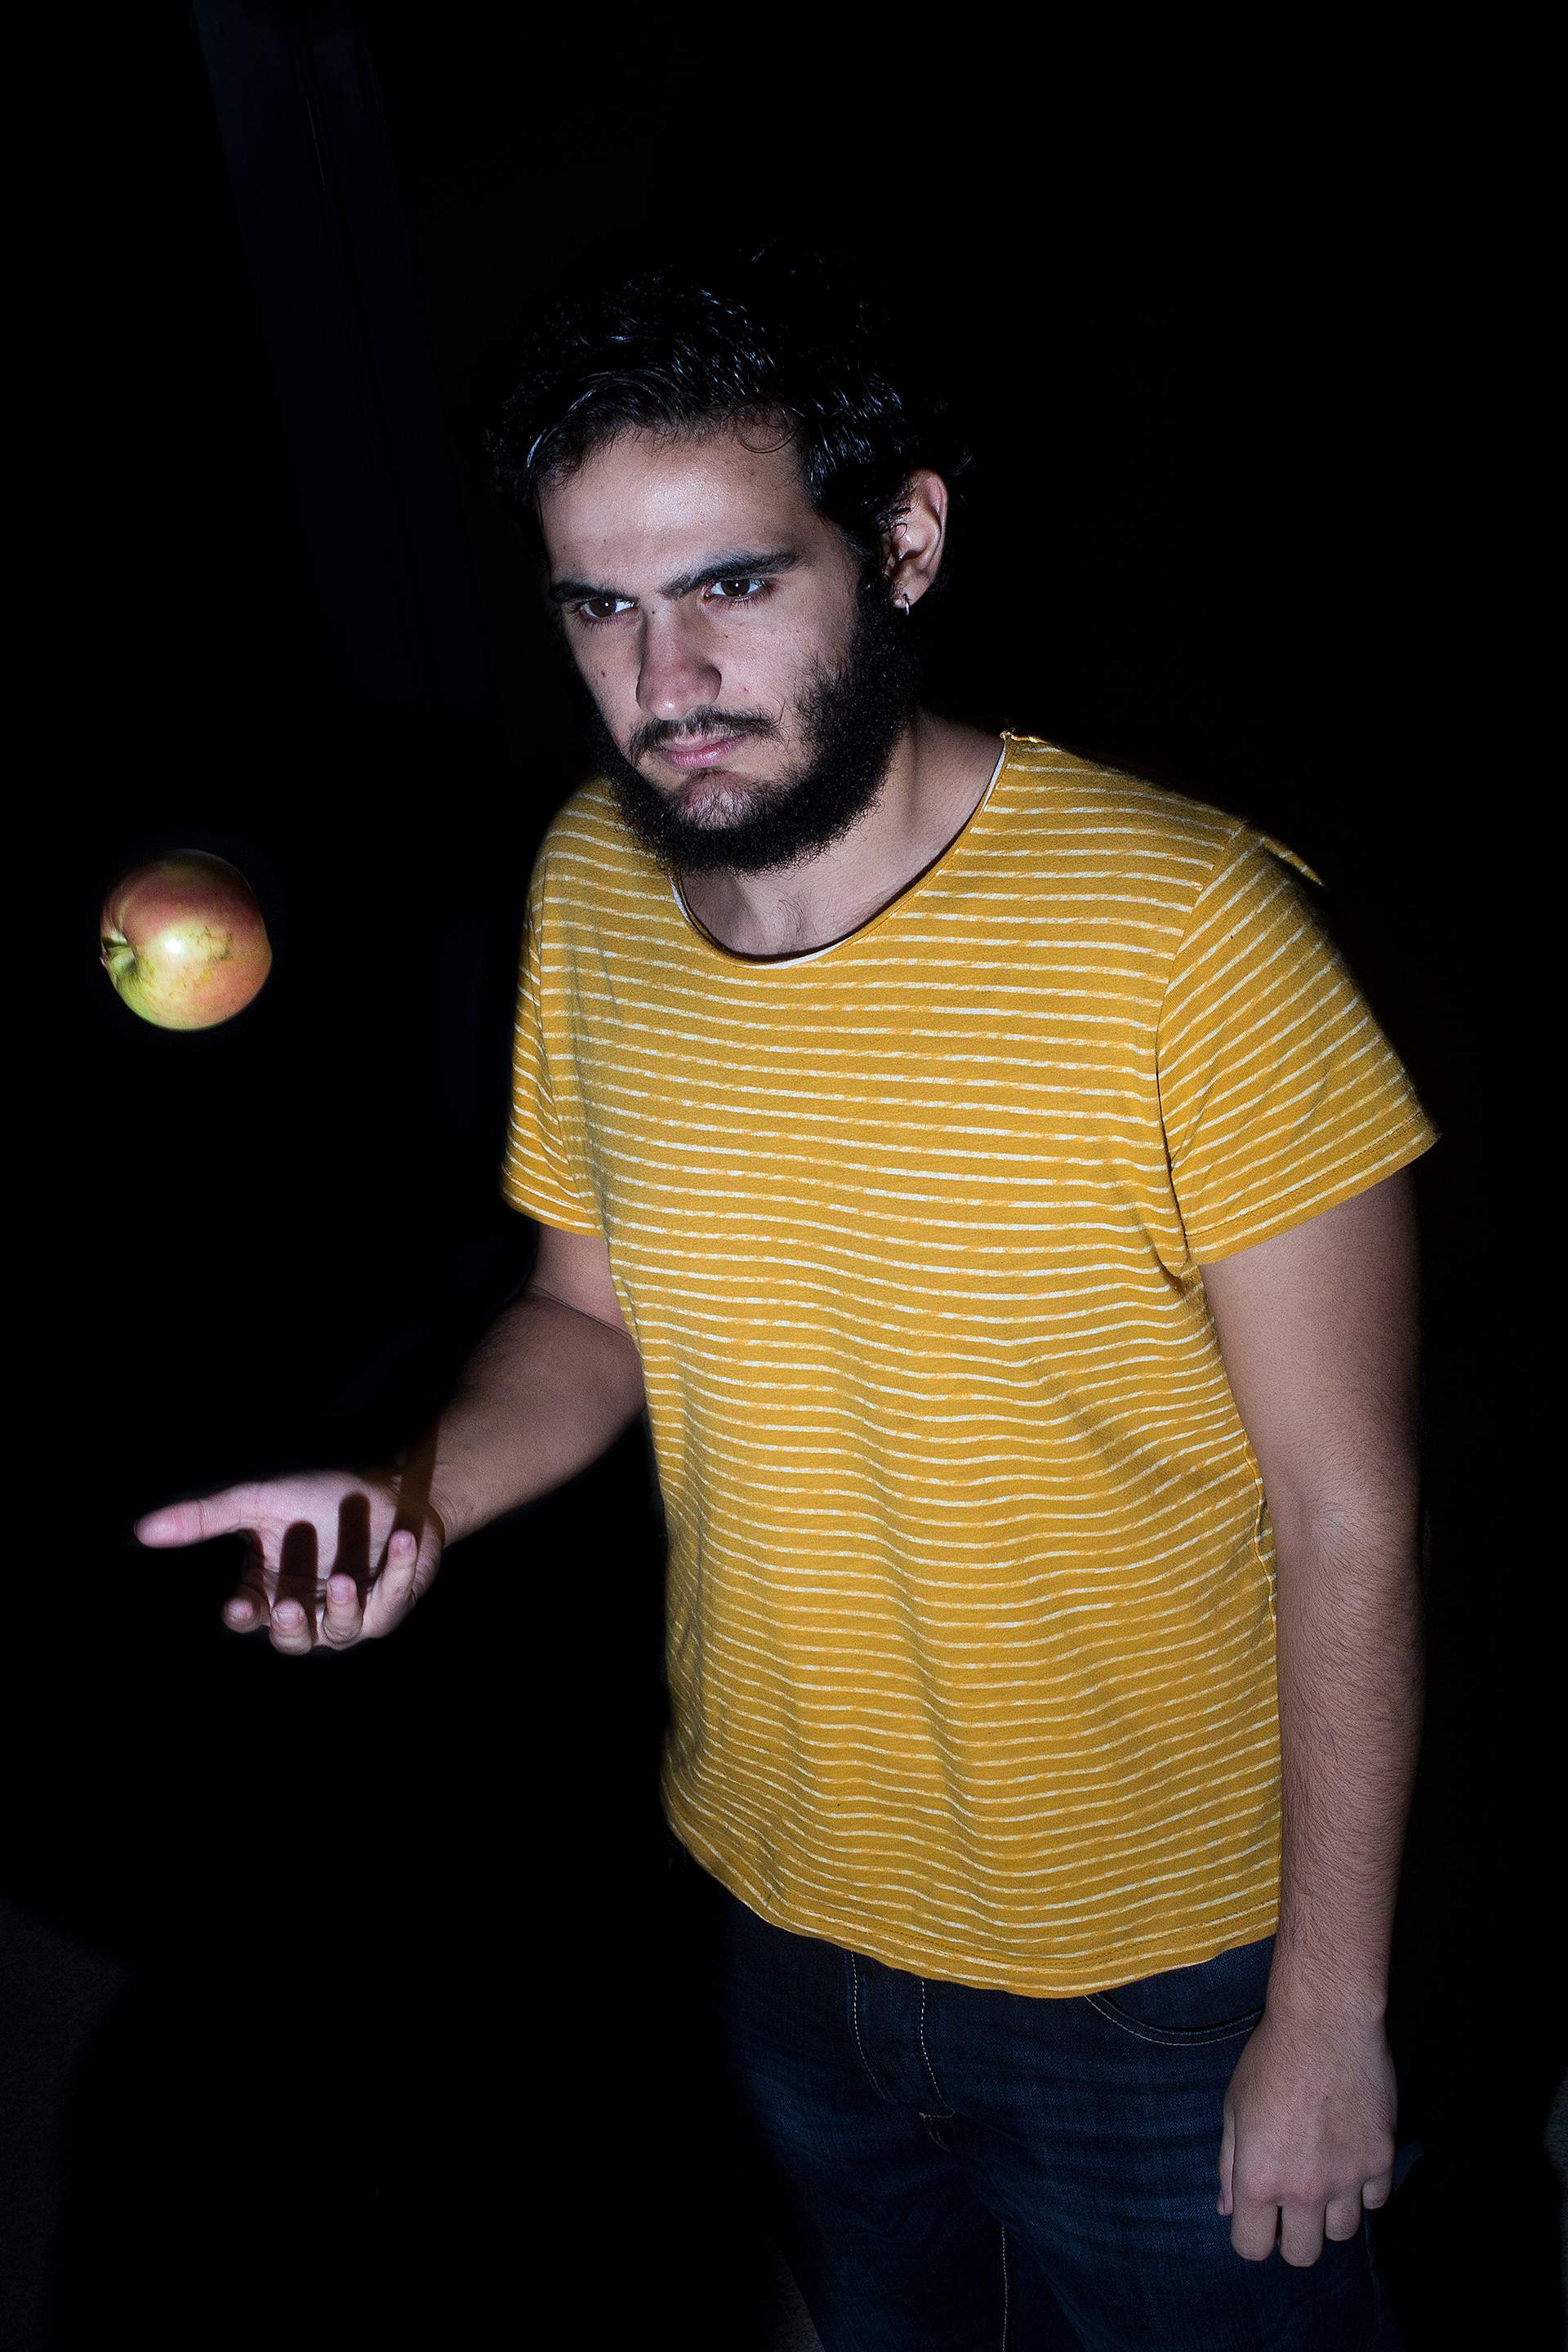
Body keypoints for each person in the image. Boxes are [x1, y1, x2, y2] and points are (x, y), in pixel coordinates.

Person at [139, 254, 1434, 2350]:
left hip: (1159, 1973)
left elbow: (1348, 1514)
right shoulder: (595, 881)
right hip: (779, 1907)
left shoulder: (1193, 943)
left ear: (902, 544)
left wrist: (1330, 2011)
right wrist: (419, 1494)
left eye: (733, 586)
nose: (665, 680)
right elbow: (588, 1319)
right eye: (599, 607)